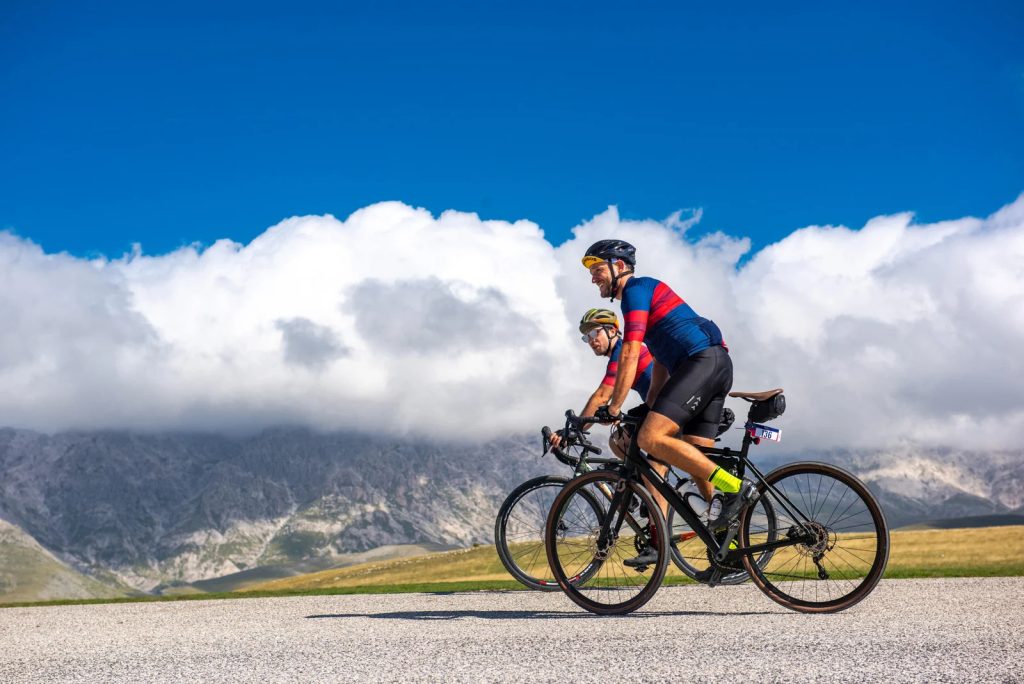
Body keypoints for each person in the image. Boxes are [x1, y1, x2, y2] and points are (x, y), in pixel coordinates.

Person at [582, 239, 756, 567]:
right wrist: (650, 407)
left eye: (598, 270)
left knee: (650, 440)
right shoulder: (647, 305)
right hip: (714, 364)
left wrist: (617, 406)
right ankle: (727, 548)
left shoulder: (636, 291)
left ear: (619, 267)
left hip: (701, 362)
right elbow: (660, 363)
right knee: (695, 458)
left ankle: (733, 486)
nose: (593, 278)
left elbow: (632, 351)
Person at [548, 308, 654, 457]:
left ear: (612, 331)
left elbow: (602, 396)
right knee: (619, 441)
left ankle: (643, 478)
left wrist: (573, 431)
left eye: (594, 333)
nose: (591, 340)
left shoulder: (623, 352)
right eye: (586, 337)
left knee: (619, 442)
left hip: (666, 404)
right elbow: (610, 398)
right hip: (656, 404)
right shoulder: (619, 354)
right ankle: (640, 479)